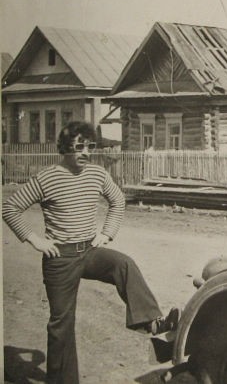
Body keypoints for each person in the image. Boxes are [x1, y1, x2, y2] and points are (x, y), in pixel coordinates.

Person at [2, 121, 180, 384]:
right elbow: (9, 208)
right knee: (61, 326)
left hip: (89, 251)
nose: (86, 152)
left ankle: (152, 322)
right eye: (79, 147)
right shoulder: (47, 177)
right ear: (65, 148)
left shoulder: (97, 174)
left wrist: (106, 233)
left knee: (123, 264)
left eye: (90, 146)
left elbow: (118, 200)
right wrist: (36, 241)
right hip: (59, 258)